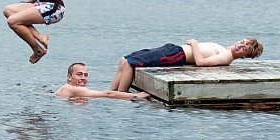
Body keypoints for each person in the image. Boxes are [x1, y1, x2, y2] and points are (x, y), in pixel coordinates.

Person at [110, 37, 264, 92]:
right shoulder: (225, 50)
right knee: (124, 60)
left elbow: (201, 62)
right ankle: (110, 92)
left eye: (244, 48)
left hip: (176, 55)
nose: (239, 45)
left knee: (130, 63)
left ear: (245, 56)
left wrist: (195, 44)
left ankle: (121, 96)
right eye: (242, 42)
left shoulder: (226, 56)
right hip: (173, 49)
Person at [56, 63, 150, 100]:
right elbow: (107, 93)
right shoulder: (73, 89)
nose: (83, 78)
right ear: (69, 77)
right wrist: (136, 95)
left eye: (86, 75)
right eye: (79, 74)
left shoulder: (66, 89)